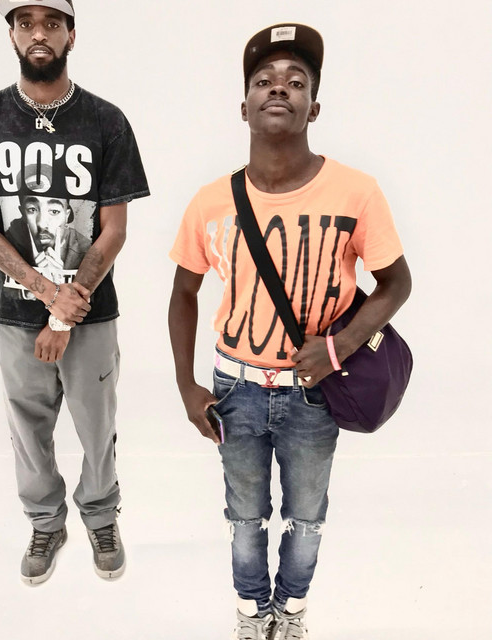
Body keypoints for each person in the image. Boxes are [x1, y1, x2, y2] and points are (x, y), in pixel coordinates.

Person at [168, 23, 411, 639]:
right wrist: (186, 385)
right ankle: (252, 613)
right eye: (264, 81)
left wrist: (337, 348)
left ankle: (292, 610)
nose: (279, 88)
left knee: (306, 516)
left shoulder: (356, 192)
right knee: (244, 516)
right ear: (244, 105)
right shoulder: (211, 201)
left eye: (296, 82)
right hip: (235, 388)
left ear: (314, 107)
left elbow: (396, 283)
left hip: (313, 393)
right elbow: (183, 292)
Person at [0, 0, 149, 585]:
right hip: (14, 313)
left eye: (52, 23)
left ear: (71, 36)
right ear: (11, 35)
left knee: (96, 426)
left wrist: (66, 310)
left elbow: (115, 229)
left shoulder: (106, 121)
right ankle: (44, 522)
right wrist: (45, 294)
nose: (39, 33)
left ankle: (101, 516)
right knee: (27, 429)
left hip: (91, 313)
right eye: (26, 23)